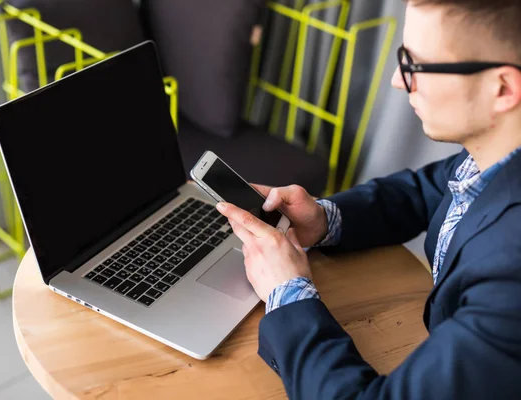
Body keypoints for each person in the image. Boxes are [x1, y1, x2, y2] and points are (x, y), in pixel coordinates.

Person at [215, 0, 521, 398]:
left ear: (502, 88)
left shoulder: (511, 277)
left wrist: (287, 291)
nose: (397, 80)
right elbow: (425, 190)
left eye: (414, 65)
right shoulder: (497, 152)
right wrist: (324, 219)